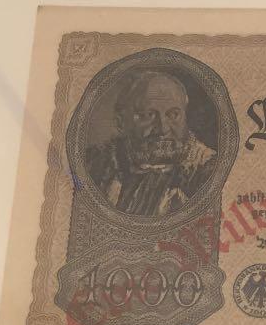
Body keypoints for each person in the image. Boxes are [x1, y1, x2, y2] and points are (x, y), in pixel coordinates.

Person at [86, 70, 216, 216]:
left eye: (173, 114)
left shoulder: (209, 169)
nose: (163, 129)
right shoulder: (94, 164)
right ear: (121, 122)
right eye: (148, 115)